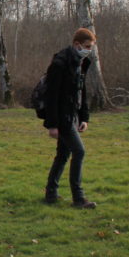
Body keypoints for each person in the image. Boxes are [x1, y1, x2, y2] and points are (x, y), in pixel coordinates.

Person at [43, 28, 97, 209]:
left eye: (91, 47)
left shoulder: (80, 62)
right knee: (79, 152)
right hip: (62, 117)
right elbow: (51, 95)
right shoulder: (60, 63)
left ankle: (51, 193)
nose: (89, 50)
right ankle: (79, 198)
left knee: (63, 154)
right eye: (87, 46)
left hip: (72, 115)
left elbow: (81, 92)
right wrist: (52, 124)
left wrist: (84, 117)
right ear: (77, 44)